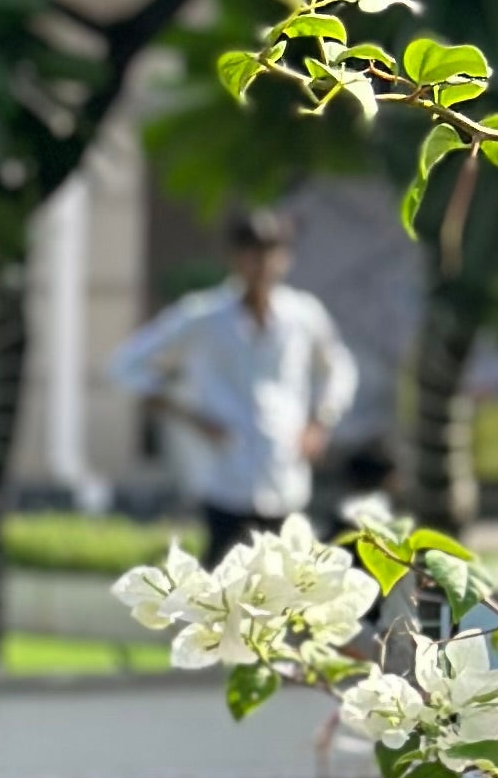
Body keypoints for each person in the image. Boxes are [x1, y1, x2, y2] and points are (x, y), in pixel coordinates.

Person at [106, 204, 359, 565]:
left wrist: (320, 423)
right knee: (223, 587)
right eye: (253, 252)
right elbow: (127, 365)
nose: (262, 263)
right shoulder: (203, 316)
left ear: (285, 258)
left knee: (287, 587)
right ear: (235, 257)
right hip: (224, 478)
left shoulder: (302, 315)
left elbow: (339, 369)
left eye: (271, 252)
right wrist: (187, 415)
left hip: (284, 475)